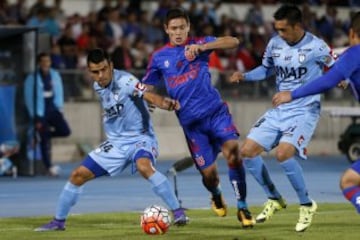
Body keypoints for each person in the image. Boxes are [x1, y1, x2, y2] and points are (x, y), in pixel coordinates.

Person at [34, 48, 188, 232]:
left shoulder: (126, 80)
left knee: (144, 166)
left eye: (104, 69)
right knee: (77, 175)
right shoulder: (97, 86)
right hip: (115, 144)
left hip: (141, 138)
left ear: (111, 66)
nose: (100, 75)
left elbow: (146, 94)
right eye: (95, 72)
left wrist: (163, 103)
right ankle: (58, 222)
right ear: (89, 71)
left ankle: (178, 212)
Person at [141, 8, 255, 228]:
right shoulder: (159, 57)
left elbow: (233, 41)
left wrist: (204, 46)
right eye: (173, 28)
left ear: (188, 27)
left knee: (233, 152)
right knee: (209, 176)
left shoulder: (200, 45)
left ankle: (242, 206)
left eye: (182, 27)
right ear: (166, 29)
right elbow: (145, 88)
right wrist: (151, 99)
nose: (178, 32)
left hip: (216, 114)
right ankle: (216, 193)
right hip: (193, 126)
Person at [229, 5, 336, 232]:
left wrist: (342, 78)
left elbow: (336, 67)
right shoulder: (275, 44)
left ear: (298, 26)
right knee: (247, 151)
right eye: (277, 29)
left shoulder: (317, 47)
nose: (280, 34)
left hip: (305, 109)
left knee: (283, 153)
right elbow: (266, 70)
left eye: (284, 30)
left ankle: (307, 205)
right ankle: (274, 198)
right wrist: (245, 76)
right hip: (280, 109)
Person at [272, 11, 360, 214]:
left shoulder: (354, 53)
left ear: (352, 33)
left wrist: (292, 94)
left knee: (349, 181)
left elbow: (327, 81)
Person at [24, 52, 71, 176]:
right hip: (40, 111)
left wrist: (60, 108)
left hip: (53, 108)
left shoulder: (55, 75)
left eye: (48, 61)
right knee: (44, 140)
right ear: (39, 63)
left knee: (65, 131)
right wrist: (34, 115)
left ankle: (43, 135)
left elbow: (59, 91)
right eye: (43, 61)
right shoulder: (32, 78)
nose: (46, 63)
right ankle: (49, 166)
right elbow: (28, 97)